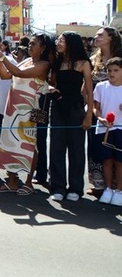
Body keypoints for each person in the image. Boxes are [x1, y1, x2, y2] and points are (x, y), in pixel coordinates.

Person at [0, 34, 54, 195]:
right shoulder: (26, 61)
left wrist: (1, 57)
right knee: (9, 142)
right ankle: (12, 181)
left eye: (34, 44)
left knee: (30, 143)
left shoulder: (44, 64)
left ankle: (28, 182)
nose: (30, 46)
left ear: (43, 48)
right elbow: (6, 75)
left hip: (33, 109)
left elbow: (17, 72)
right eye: (30, 44)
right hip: (14, 108)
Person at [48, 32, 93, 202]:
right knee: (56, 148)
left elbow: (89, 91)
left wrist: (88, 115)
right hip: (57, 108)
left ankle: (76, 188)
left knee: (77, 149)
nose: (58, 43)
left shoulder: (84, 63)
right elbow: (51, 83)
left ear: (71, 43)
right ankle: (57, 186)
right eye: (58, 40)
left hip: (76, 109)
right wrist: (51, 89)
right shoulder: (57, 62)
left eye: (62, 40)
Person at [87, 27, 122, 197]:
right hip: (98, 108)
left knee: (118, 153)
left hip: (118, 112)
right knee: (98, 148)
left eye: (100, 35)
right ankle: (100, 184)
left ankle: (117, 187)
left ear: (111, 38)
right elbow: (86, 85)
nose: (96, 37)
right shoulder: (93, 60)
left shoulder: (120, 58)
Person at [93, 57, 122, 205]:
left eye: (116, 70)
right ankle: (108, 189)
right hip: (104, 129)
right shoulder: (100, 87)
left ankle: (119, 191)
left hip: (120, 128)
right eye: (109, 70)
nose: (112, 73)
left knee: (120, 162)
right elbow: (95, 108)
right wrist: (101, 118)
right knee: (107, 160)